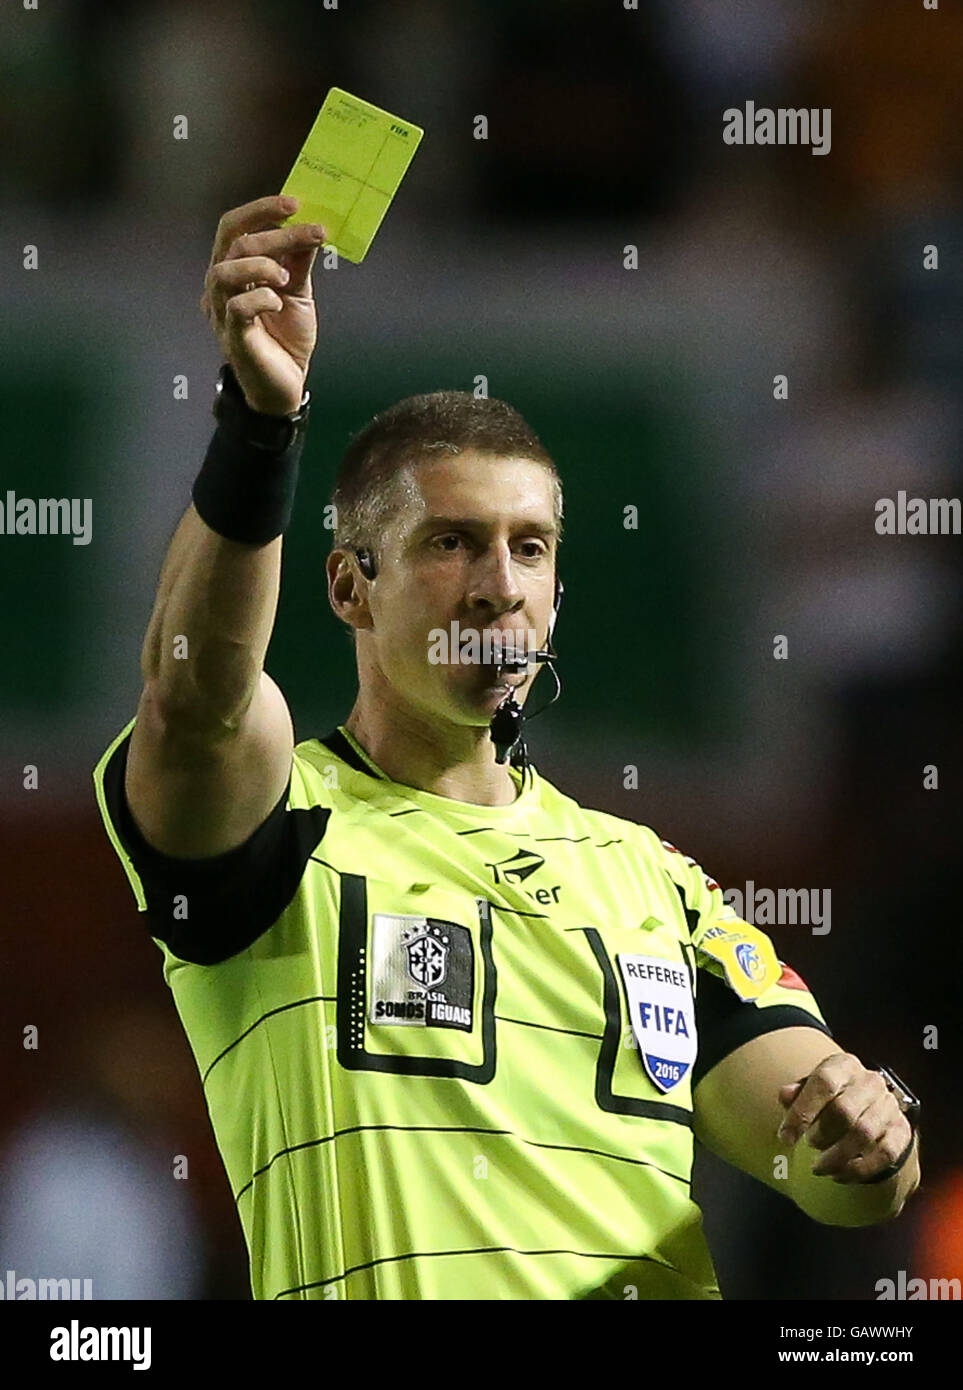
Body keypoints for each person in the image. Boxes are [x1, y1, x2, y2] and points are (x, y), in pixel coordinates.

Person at [93, 194, 921, 1301]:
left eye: (530, 548)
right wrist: (258, 423)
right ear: (350, 584)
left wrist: (879, 1127)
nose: (500, 584)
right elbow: (195, 700)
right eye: (451, 543)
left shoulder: (656, 884)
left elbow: (836, 1171)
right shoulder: (282, 829)